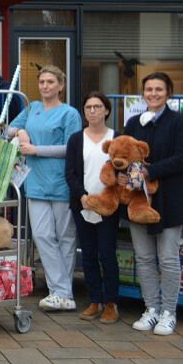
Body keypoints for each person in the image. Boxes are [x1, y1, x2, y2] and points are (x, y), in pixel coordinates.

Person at [122, 72, 183, 336]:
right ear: (143, 93)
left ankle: (168, 313)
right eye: (149, 89)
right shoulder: (133, 123)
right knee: (144, 257)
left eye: (159, 89)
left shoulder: (179, 122)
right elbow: (124, 153)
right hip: (139, 201)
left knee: (169, 259)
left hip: (169, 200)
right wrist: (127, 175)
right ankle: (151, 308)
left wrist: (150, 172)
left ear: (168, 93)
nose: (153, 93)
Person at [8, 65, 82, 312]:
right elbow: (7, 129)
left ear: (61, 85)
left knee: (65, 238)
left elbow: (72, 149)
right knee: (42, 236)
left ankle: (61, 292)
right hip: (36, 183)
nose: (45, 86)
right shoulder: (33, 109)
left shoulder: (69, 114)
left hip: (61, 182)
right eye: (42, 82)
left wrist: (37, 150)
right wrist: (21, 131)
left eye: (50, 82)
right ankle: (61, 291)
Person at [65, 91, 119, 324]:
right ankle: (94, 299)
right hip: (83, 205)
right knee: (88, 255)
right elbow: (70, 173)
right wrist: (82, 196)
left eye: (97, 106)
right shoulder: (77, 139)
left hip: (109, 207)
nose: (93, 111)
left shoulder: (116, 139)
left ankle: (111, 303)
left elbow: (124, 171)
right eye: (88, 107)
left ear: (106, 110)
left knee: (107, 254)